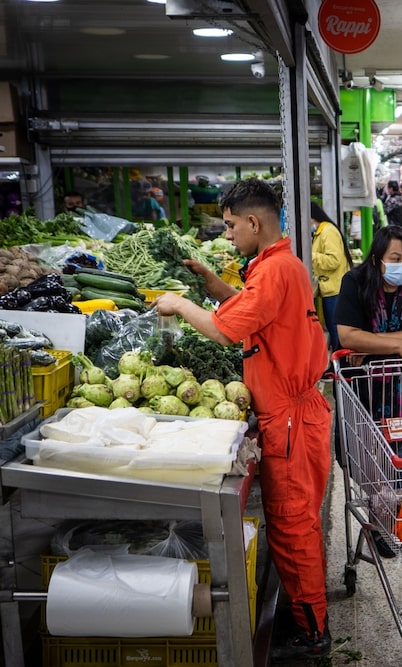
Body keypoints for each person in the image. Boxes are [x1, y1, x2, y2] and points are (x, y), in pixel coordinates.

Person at [151, 178, 332, 661]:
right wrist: (217, 286)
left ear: (254, 222)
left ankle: (313, 632)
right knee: (295, 523)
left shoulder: (275, 270)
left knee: (294, 526)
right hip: (295, 413)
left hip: (292, 419)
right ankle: (306, 613)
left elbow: (224, 332)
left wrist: (181, 303)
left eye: (231, 226)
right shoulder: (278, 265)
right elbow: (260, 316)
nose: (227, 234)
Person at [334, 224, 402, 557]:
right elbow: (347, 337)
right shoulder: (355, 282)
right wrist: (398, 345)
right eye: (396, 257)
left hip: (399, 386)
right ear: (378, 259)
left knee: (394, 451)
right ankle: (376, 509)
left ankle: (384, 520)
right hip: (360, 388)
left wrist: (378, 345)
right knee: (362, 453)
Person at [311, 201, 353, 351]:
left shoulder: (328, 232)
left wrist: (310, 256)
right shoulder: (320, 232)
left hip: (335, 290)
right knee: (334, 331)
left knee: (337, 334)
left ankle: (341, 366)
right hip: (330, 289)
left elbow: (334, 260)